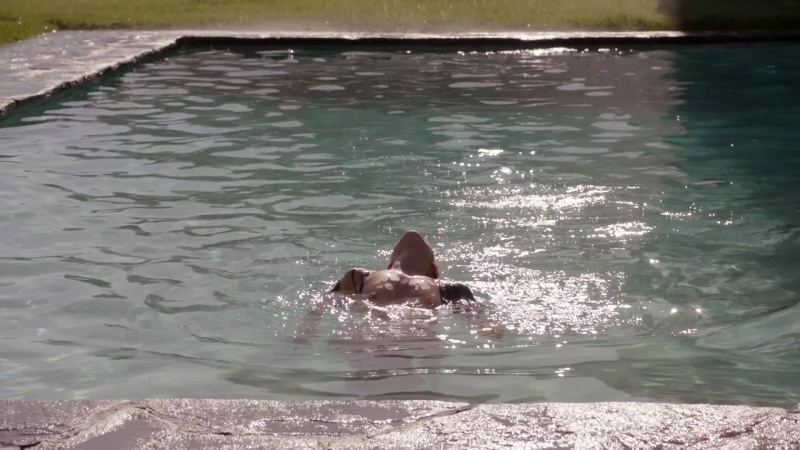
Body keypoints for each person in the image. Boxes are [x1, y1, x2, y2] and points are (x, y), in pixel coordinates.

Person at [329, 230, 476, 308]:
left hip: (373, 339)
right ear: (434, 270)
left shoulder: (358, 278)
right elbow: (482, 321)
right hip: (421, 341)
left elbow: (324, 305)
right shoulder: (452, 290)